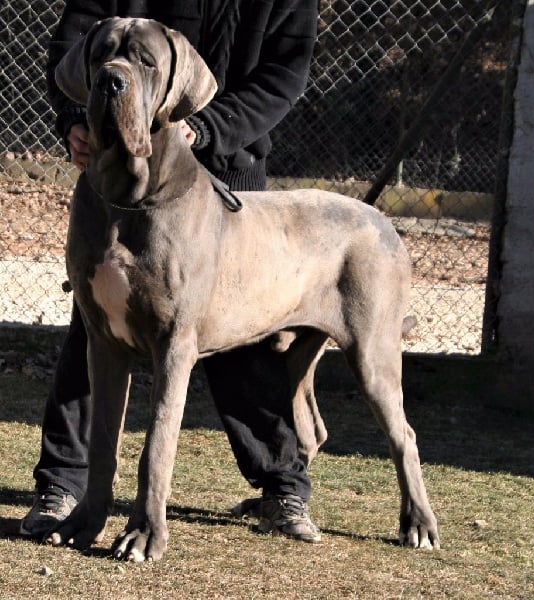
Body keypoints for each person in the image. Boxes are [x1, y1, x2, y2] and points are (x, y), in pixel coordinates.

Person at [21, 0, 322, 544]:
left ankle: (281, 487)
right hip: (114, 176)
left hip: (223, 165)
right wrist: (75, 121)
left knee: (245, 345)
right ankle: (64, 484)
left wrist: (205, 129)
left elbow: (284, 73)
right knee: (93, 328)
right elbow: (74, 37)